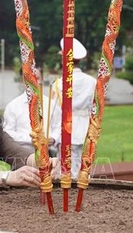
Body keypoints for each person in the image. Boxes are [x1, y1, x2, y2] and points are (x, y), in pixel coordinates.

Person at [50, 38, 96, 180]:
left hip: (66, 128)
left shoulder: (59, 83)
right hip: (86, 130)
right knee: (84, 169)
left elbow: (56, 112)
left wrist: (54, 135)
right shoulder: (92, 82)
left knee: (66, 171)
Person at [3, 67, 56, 152]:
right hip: (22, 154)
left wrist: (53, 138)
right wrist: (30, 139)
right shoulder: (13, 106)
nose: (34, 82)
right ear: (23, 81)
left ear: (42, 80)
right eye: (29, 79)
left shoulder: (51, 104)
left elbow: (57, 126)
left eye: (37, 78)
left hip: (47, 153)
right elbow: (7, 133)